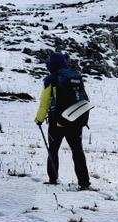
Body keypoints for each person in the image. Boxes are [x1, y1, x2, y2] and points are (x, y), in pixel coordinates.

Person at [34, 51, 92, 190]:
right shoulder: (75, 77)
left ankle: (53, 179)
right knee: (77, 151)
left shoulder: (51, 80)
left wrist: (39, 119)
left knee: (53, 150)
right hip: (75, 120)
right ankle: (84, 182)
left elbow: (44, 103)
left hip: (58, 122)